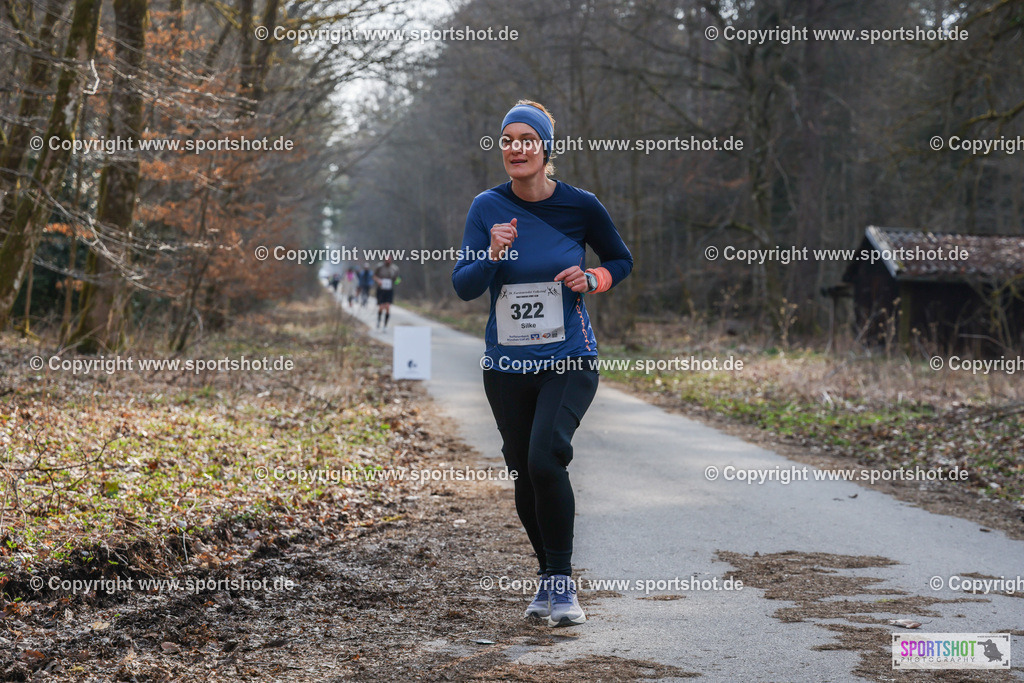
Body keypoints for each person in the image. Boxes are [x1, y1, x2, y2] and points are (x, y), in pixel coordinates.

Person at [452, 100, 632, 627]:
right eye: (508, 139)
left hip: (568, 358)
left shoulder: (581, 206)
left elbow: (619, 259)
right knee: (522, 472)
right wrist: (492, 253)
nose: (516, 148)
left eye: (527, 139)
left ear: (546, 149)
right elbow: (464, 287)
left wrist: (592, 279)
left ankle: (562, 583)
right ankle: (546, 579)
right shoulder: (486, 207)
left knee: (545, 457)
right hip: (506, 366)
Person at [374, 257, 400, 329]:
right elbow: (374, 276)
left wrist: (397, 282)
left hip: (389, 290)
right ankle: (378, 321)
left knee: (388, 307)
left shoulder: (395, 268)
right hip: (381, 289)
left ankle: (385, 325)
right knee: (381, 307)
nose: (388, 261)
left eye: (389, 260)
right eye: (386, 260)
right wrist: (378, 281)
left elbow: (397, 278)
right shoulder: (379, 267)